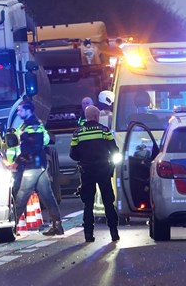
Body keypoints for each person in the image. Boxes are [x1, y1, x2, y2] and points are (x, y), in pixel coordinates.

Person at [12, 100, 64, 236]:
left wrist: (18, 160)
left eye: (20, 109)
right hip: (38, 165)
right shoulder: (28, 123)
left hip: (32, 165)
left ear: (28, 110)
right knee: (47, 195)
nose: (18, 112)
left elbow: (34, 146)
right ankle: (57, 225)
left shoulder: (33, 124)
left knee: (22, 195)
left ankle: (12, 226)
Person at [70, 105, 120, 242]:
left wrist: (84, 158)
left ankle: (88, 235)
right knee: (108, 202)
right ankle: (114, 233)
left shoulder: (78, 133)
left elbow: (73, 154)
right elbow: (114, 149)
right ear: (96, 116)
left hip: (86, 171)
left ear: (87, 116)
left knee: (88, 204)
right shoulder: (104, 130)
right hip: (104, 169)